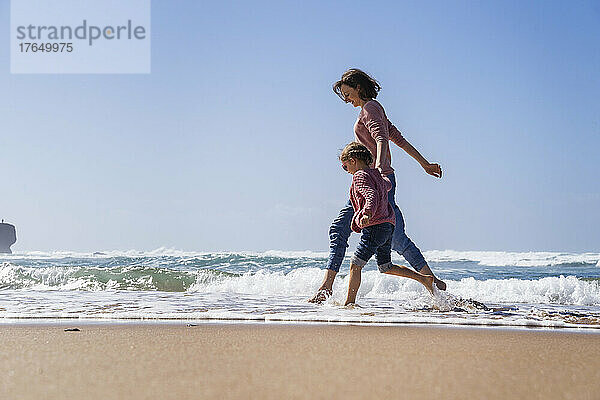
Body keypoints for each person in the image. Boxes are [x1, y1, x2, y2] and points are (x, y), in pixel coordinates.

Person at [310, 68, 445, 304]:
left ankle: (327, 289)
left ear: (358, 87)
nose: (346, 99)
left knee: (340, 229)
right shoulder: (375, 108)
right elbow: (397, 139)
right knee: (397, 238)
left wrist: (379, 170)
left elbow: (382, 139)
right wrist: (424, 164)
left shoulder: (370, 109)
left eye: (348, 93)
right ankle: (434, 285)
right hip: (380, 178)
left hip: (374, 179)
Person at [336, 142, 434, 305]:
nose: (347, 171)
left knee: (355, 264)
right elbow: (387, 186)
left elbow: (371, 195)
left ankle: (349, 303)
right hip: (388, 225)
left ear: (353, 161)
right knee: (385, 266)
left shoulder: (360, 176)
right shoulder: (377, 175)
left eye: (345, 167)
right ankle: (424, 279)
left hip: (374, 226)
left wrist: (367, 212)